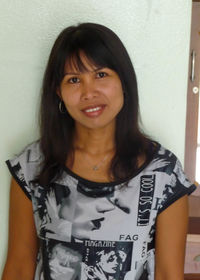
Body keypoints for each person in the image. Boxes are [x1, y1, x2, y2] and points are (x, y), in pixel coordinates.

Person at [1, 22, 196, 280]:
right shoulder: (32, 167)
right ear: (58, 92)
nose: (89, 92)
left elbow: (169, 274)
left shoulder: (163, 174)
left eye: (101, 75)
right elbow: (18, 267)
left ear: (123, 81)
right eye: (74, 80)